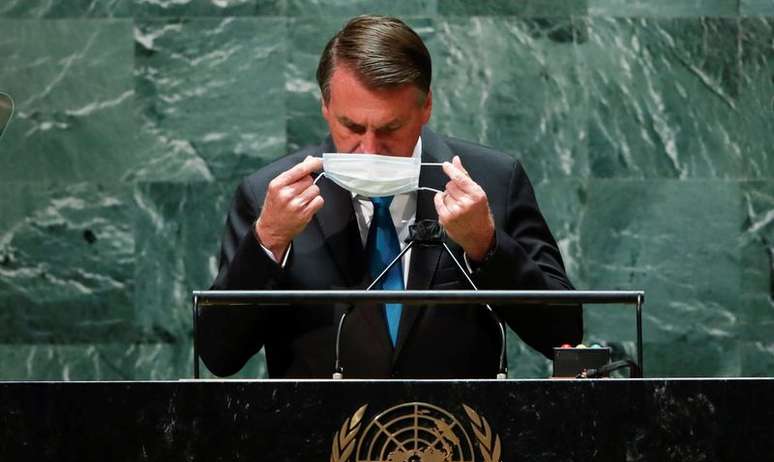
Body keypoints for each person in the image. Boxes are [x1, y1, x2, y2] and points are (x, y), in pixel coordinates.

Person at [199, 15, 582, 379]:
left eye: (390, 128)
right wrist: (268, 241)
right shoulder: (269, 193)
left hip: (457, 438)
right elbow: (220, 356)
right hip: (319, 438)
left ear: (426, 107)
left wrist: (487, 245)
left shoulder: (492, 180)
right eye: (351, 126)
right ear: (325, 107)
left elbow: (563, 334)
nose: (369, 149)